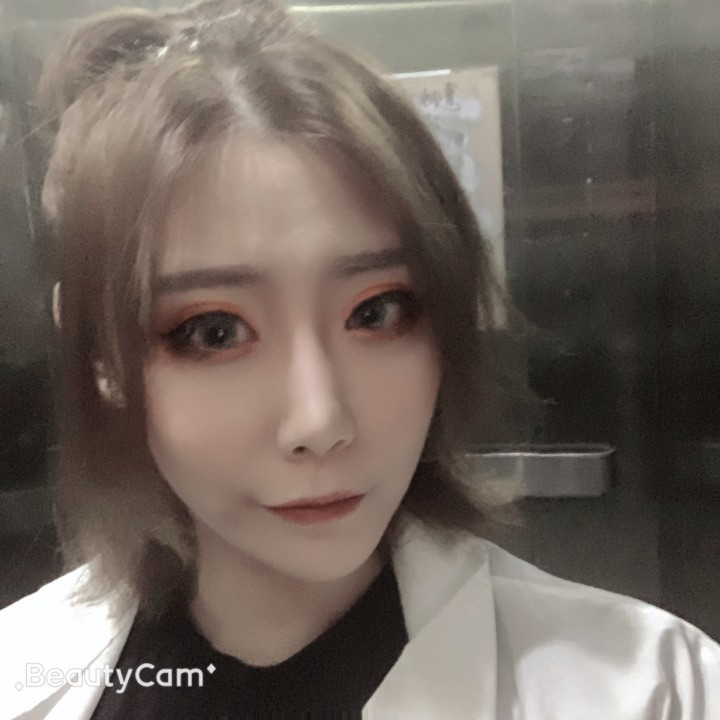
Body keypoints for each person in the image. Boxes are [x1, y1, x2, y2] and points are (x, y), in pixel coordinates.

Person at [1, 0, 719, 717]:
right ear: (100, 353)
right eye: (214, 331)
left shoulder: (657, 691)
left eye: (377, 312)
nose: (320, 422)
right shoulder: (20, 671)